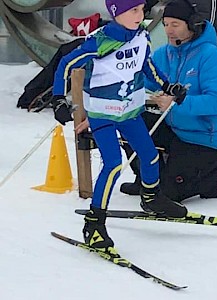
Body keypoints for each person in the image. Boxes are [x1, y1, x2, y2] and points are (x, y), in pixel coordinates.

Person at [51, 0, 188, 252]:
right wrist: (58, 98)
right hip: (103, 114)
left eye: (142, 9)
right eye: (134, 10)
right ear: (117, 13)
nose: (141, 14)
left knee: (149, 156)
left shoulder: (141, 35)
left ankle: (151, 198)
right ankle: (94, 224)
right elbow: (66, 64)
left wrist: (168, 86)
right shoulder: (100, 42)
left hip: (130, 112)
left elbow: (147, 66)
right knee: (113, 165)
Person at [120, 0, 217, 203]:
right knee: (130, 122)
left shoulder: (211, 56)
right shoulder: (163, 53)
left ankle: (212, 175)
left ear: (192, 25)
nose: (168, 30)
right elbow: (142, 82)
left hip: (203, 138)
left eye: (175, 24)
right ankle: (146, 178)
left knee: (168, 194)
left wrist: (178, 102)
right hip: (174, 130)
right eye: (165, 24)